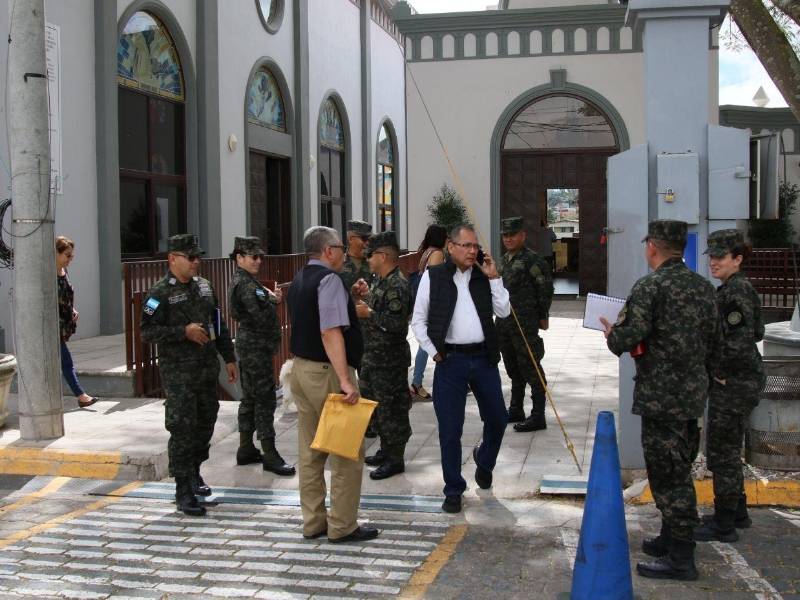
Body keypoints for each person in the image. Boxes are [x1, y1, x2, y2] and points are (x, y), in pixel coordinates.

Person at [599, 220, 718, 581]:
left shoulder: (651, 286)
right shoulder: (703, 287)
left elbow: (626, 337)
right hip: (692, 395)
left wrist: (611, 333)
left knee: (669, 476)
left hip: (661, 397)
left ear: (652, 246)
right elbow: (715, 340)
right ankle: (670, 537)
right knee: (677, 465)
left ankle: (682, 558)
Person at [286, 226, 379, 543]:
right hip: (326, 372)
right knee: (347, 453)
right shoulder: (329, 280)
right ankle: (342, 525)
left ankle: (313, 522)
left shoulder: (300, 278)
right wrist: (344, 381)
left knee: (311, 452)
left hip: (301, 370)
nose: (343, 251)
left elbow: (316, 317)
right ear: (328, 251)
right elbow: (330, 331)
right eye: (340, 246)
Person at [411, 224, 510, 514]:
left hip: (483, 358)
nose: (472, 251)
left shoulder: (483, 277)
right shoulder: (434, 277)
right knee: (450, 428)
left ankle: (485, 459)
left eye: (475, 246)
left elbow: (503, 311)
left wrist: (495, 279)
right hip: (450, 361)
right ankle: (453, 488)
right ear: (450, 247)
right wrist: (433, 352)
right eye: (466, 245)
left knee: (498, 418)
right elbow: (418, 320)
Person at [141, 234, 238, 517]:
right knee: (182, 430)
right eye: (190, 258)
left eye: (198, 257)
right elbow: (147, 332)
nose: (197, 263)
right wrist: (182, 332)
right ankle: (182, 489)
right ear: (173, 258)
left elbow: (218, 324)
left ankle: (194, 473)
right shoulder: (159, 293)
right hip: (179, 374)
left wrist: (228, 357)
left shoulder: (205, 288)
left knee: (206, 422)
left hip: (206, 370)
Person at [694, 229, 765, 542]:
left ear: (738, 259)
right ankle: (736, 512)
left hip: (734, 383)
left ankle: (724, 523)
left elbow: (739, 343)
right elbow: (758, 332)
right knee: (727, 449)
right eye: (711, 256)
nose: (713, 262)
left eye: (720, 257)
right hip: (741, 381)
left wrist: (719, 371)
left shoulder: (734, 293)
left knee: (721, 451)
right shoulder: (737, 289)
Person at [228, 236, 295, 477]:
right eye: (253, 256)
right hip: (255, 349)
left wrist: (272, 299)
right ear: (239, 258)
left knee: (250, 399)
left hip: (255, 347)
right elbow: (257, 315)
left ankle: (245, 447)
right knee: (264, 400)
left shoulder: (249, 281)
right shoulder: (245, 284)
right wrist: (271, 302)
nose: (258, 261)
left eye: (260, 256)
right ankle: (269, 453)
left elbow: (260, 304)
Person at [355, 231, 412, 480]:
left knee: (391, 409)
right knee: (377, 407)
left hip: (389, 359)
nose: (367, 259)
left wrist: (369, 314)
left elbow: (397, 323)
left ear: (383, 255)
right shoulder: (381, 280)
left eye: (371, 255)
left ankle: (395, 458)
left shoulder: (397, 284)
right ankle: (385, 450)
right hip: (373, 357)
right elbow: (380, 305)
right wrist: (367, 294)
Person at [496, 217, 554, 431]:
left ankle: (538, 415)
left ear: (523, 235)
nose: (508, 239)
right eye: (505, 235)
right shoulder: (502, 261)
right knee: (513, 367)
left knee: (531, 367)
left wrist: (542, 316)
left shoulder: (533, 260)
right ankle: (516, 408)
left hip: (525, 323)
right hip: (504, 323)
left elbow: (545, 289)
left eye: (512, 235)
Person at [56, 236, 97, 409]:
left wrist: (72, 310)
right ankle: (81, 396)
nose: (70, 259)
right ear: (56, 254)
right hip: (52, 327)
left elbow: (64, 296)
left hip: (63, 326)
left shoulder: (63, 271)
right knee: (66, 362)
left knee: (59, 362)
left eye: (71, 256)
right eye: (67, 255)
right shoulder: (47, 273)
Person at [409, 224, 447, 401]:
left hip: (425, 303)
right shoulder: (437, 254)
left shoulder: (426, 252)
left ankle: (417, 382)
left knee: (426, 343)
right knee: (426, 344)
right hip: (432, 305)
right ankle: (416, 383)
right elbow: (436, 283)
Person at [339, 220, 373, 293]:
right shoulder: (338, 264)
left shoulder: (374, 264)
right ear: (351, 239)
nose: (367, 243)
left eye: (370, 239)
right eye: (364, 238)